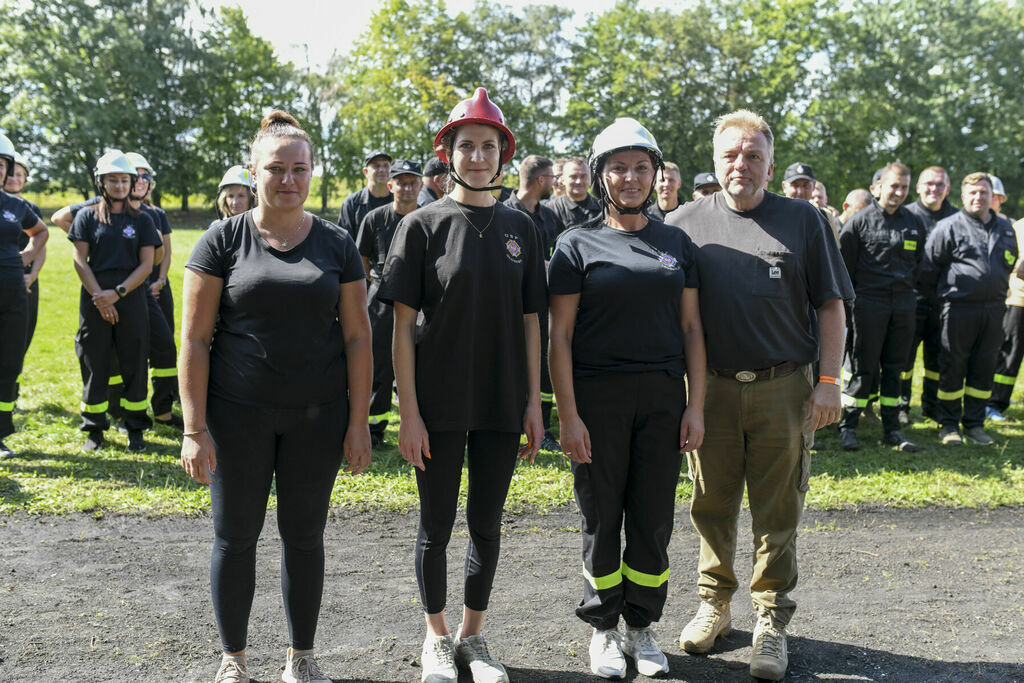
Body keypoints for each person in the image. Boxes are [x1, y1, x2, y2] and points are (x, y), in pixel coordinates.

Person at [179, 110, 372, 683]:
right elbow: (193, 338)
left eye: (299, 169)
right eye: (276, 169)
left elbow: (359, 337)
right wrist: (194, 428)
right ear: (254, 172)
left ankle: (301, 657)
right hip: (237, 418)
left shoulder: (337, 243)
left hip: (318, 418)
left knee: (304, 536)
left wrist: (358, 422)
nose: (287, 179)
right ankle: (233, 659)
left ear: (312, 173)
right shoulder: (222, 239)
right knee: (235, 536)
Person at [665, 110, 852, 681]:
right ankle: (714, 605)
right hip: (711, 390)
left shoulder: (804, 221)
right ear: (714, 160)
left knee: (778, 510)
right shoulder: (683, 223)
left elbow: (831, 307)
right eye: (731, 155)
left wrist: (827, 382)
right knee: (710, 504)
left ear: (769, 166)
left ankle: (771, 620)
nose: (740, 165)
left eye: (752, 156)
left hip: (784, 389)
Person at [377, 87, 545, 683]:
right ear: (447, 153)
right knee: (436, 524)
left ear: (504, 153)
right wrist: (409, 412)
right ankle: (437, 638)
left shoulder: (522, 228)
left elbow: (532, 323)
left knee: (486, 522)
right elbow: (399, 328)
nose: (477, 155)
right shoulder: (421, 226)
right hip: (439, 403)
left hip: (501, 401)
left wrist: (533, 403)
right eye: (466, 145)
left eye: (488, 145)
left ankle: (474, 638)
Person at [548, 118, 705, 679]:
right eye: (618, 167)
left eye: (642, 167)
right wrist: (567, 415)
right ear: (599, 175)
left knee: (652, 518)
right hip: (597, 400)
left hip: (663, 399)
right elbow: (558, 337)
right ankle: (604, 631)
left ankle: (641, 626)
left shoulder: (676, 244)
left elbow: (692, 331)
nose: (631, 177)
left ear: (656, 173)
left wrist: (696, 404)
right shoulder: (574, 244)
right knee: (601, 516)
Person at [68, 150, 159, 453]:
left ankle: (135, 428)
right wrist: (100, 298)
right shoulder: (85, 217)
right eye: (112, 180)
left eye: (124, 180)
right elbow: (80, 260)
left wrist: (117, 294)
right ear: (101, 182)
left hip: (131, 298)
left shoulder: (143, 221)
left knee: (134, 362)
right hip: (94, 298)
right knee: (95, 363)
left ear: (133, 182)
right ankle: (94, 429)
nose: (119, 185)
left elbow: (147, 265)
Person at [919, 173, 1018, 446]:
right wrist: (945, 301)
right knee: (953, 366)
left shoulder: (1006, 228)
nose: (978, 197)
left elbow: (1010, 263)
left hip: (995, 309)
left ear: (992, 196)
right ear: (962, 196)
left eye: (983, 192)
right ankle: (948, 424)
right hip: (958, 309)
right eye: (972, 193)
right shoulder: (948, 227)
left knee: (983, 367)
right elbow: (927, 272)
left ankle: (974, 424)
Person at [837, 162, 925, 452]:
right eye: (893, 186)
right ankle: (848, 427)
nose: (898, 192)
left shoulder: (914, 223)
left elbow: (919, 267)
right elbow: (844, 271)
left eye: (903, 187)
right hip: (868, 306)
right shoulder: (859, 222)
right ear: (878, 187)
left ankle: (892, 430)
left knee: (895, 369)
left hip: (902, 307)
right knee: (863, 368)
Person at [356, 158, 423, 448]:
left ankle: (422, 422)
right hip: (382, 300)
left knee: (421, 363)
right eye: (401, 182)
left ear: (420, 186)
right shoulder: (375, 218)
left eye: (413, 182)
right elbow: (362, 258)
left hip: (422, 301)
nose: (407, 187)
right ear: (390, 185)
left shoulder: (431, 217)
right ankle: (375, 428)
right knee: (380, 365)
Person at [504, 155, 561, 451]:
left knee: (542, 362)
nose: (556, 182)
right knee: (512, 362)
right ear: (540, 180)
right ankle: (509, 424)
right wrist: (541, 264)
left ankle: (544, 427)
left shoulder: (550, 216)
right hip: (508, 305)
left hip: (541, 304)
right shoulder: (503, 213)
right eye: (552, 177)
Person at [0, 135, 49, 458]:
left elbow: (41, 232)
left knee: (8, 363)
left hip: (13, 294)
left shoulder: (15, 205)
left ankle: (0, 432)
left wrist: (26, 258)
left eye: (0, 165)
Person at [125, 151, 181, 429]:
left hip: (158, 287)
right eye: (136, 175)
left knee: (165, 347)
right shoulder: (112, 211)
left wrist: (160, 280)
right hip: (132, 290)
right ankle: (122, 408)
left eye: (145, 176)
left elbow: (166, 252)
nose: (141, 181)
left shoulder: (157, 214)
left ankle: (164, 405)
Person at [900, 166, 957, 423]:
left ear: (948, 189)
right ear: (919, 187)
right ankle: (901, 406)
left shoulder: (957, 218)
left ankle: (931, 406)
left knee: (938, 356)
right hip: (910, 298)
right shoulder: (905, 215)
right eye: (929, 184)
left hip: (945, 301)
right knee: (904, 357)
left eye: (940, 185)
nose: (934, 189)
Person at [987, 216, 1024, 421]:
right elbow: (1017, 267)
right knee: (1010, 353)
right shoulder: (1019, 228)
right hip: (1019, 299)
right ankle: (994, 404)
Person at [337, 150, 392, 238]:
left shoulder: (399, 201)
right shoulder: (352, 203)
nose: (382, 170)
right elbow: (344, 241)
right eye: (376, 166)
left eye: (386, 165)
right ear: (365, 172)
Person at [546, 157, 602, 234]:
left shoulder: (602, 208)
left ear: (589, 179)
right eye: (573, 177)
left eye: (583, 176)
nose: (579, 181)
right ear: (563, 180)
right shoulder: (551, 210)